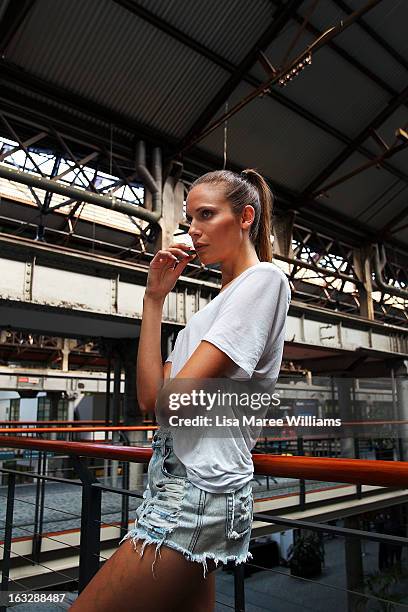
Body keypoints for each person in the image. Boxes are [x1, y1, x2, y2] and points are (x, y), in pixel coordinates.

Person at [70, 169, 291, 612]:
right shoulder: (208, 314)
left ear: (246, 217)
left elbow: (173, 399)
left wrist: (175, 392)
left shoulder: (265, 281)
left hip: (198, 494)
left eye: (207, 215)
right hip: (173, 487)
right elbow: (150, 399)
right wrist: (154, 299)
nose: (194, 231)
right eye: (190, 219)